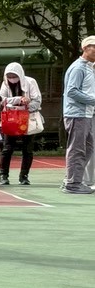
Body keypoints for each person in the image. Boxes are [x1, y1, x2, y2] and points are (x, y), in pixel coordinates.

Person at [0, 61, 42, 186]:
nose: (11, 79)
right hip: (11, 119)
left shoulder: (31, 82)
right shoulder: (5, 84)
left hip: (27, 119)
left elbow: (37, 101)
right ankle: (3, 175)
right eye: (9, 76)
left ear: (20, 75)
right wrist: (19, 100)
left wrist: (25, 106)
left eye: (14, 76)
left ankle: (24, 176)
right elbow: (1, 99)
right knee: (8, 148)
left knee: (28, 149)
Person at [60, 36, 95, 194]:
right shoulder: (79, 67)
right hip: (77, 114)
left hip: (86, 113)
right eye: (94, 47)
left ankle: (72, 179)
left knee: (88, 148)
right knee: (77, 149)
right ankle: (73, 183)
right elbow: (72, 91)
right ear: (85, 48)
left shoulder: (89, 67)